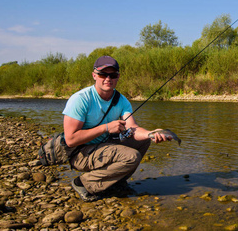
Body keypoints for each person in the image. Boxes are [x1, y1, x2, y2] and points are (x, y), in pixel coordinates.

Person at [63, 55, 168, 201]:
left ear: (118, 77)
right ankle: (84, 183)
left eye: (112, 75)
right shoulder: (80, 99)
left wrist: (151, 133)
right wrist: (105, 128)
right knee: (131, 157)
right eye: (102, 74)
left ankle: (116, 181)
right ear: (94, 75)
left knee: (143, 141)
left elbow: (132, 128)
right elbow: (70, 140)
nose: (108, 78)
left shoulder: (121, 100)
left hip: (103, 147)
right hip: (80, 153)